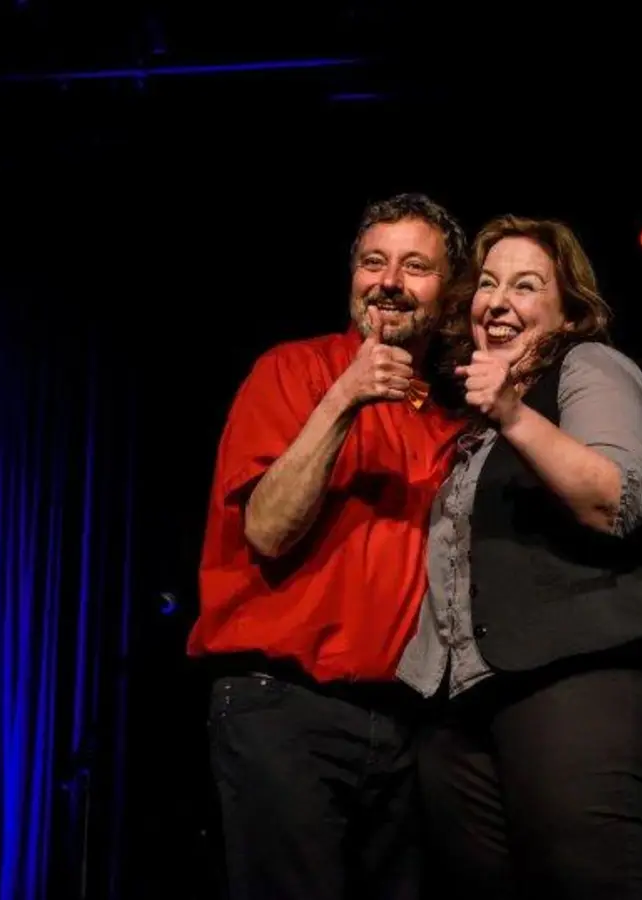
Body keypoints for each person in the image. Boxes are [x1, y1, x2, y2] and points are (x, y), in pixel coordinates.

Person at [186, 193, 469, 900]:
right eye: (373, 262)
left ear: (450, 290)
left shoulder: (450, 417)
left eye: (415, 266)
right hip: (284, 709)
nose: (389, 282)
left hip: (405, 729)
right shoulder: (293, 372)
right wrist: (344, 398)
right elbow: (268, 529)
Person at [396, 215, 642, 900]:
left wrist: (516, 414)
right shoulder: (468, 426)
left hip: (576, 687)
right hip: (463, 710)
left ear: (566, 310)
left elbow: (618, 502)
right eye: (488, 283)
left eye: (526, 286)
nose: (498, 301)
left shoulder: (590, 368)